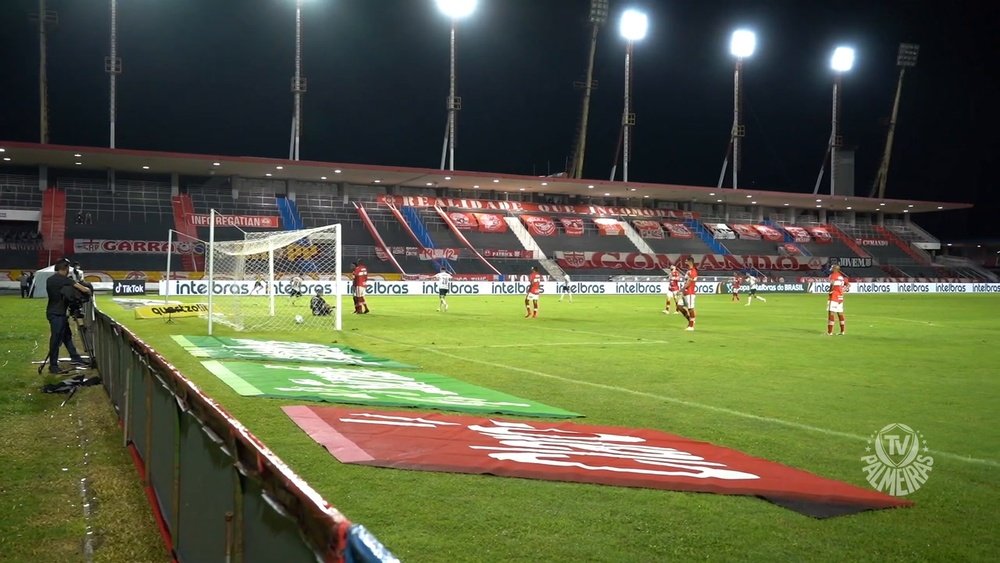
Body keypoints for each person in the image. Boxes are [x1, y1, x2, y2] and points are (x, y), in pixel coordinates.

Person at [45, 259, 91, 374]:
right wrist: (88, 289)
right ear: (65, 269)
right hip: (58, 314)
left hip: (53, 311)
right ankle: (53, 366)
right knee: (56, 340)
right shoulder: (65, 280)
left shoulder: (49, 280)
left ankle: (75, 358)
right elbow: (84, 289)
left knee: (66, 336)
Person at [827, 264, 849, 335]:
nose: (832, 269)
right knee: (840, 313)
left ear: (835, 269)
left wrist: (830, 291)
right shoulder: (842, 277)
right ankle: (842, 331)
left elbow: (832, 284)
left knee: (831, 313)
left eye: (832, 268)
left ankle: (830, 332)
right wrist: (843, 290)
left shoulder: (833, 275)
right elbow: (848, 285)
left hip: (834, 296)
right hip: (840, 297)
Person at [681, 258, 698, 331]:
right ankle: (690, 320)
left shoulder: (693, 271)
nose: (685, 262)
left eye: (686, 261)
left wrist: (681, 289)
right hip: (685, 292)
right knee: (679, 306)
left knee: (691, 308)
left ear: (690, 262)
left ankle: (691, 326)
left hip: (690, 292)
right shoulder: (688, 271)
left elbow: (689, 283)